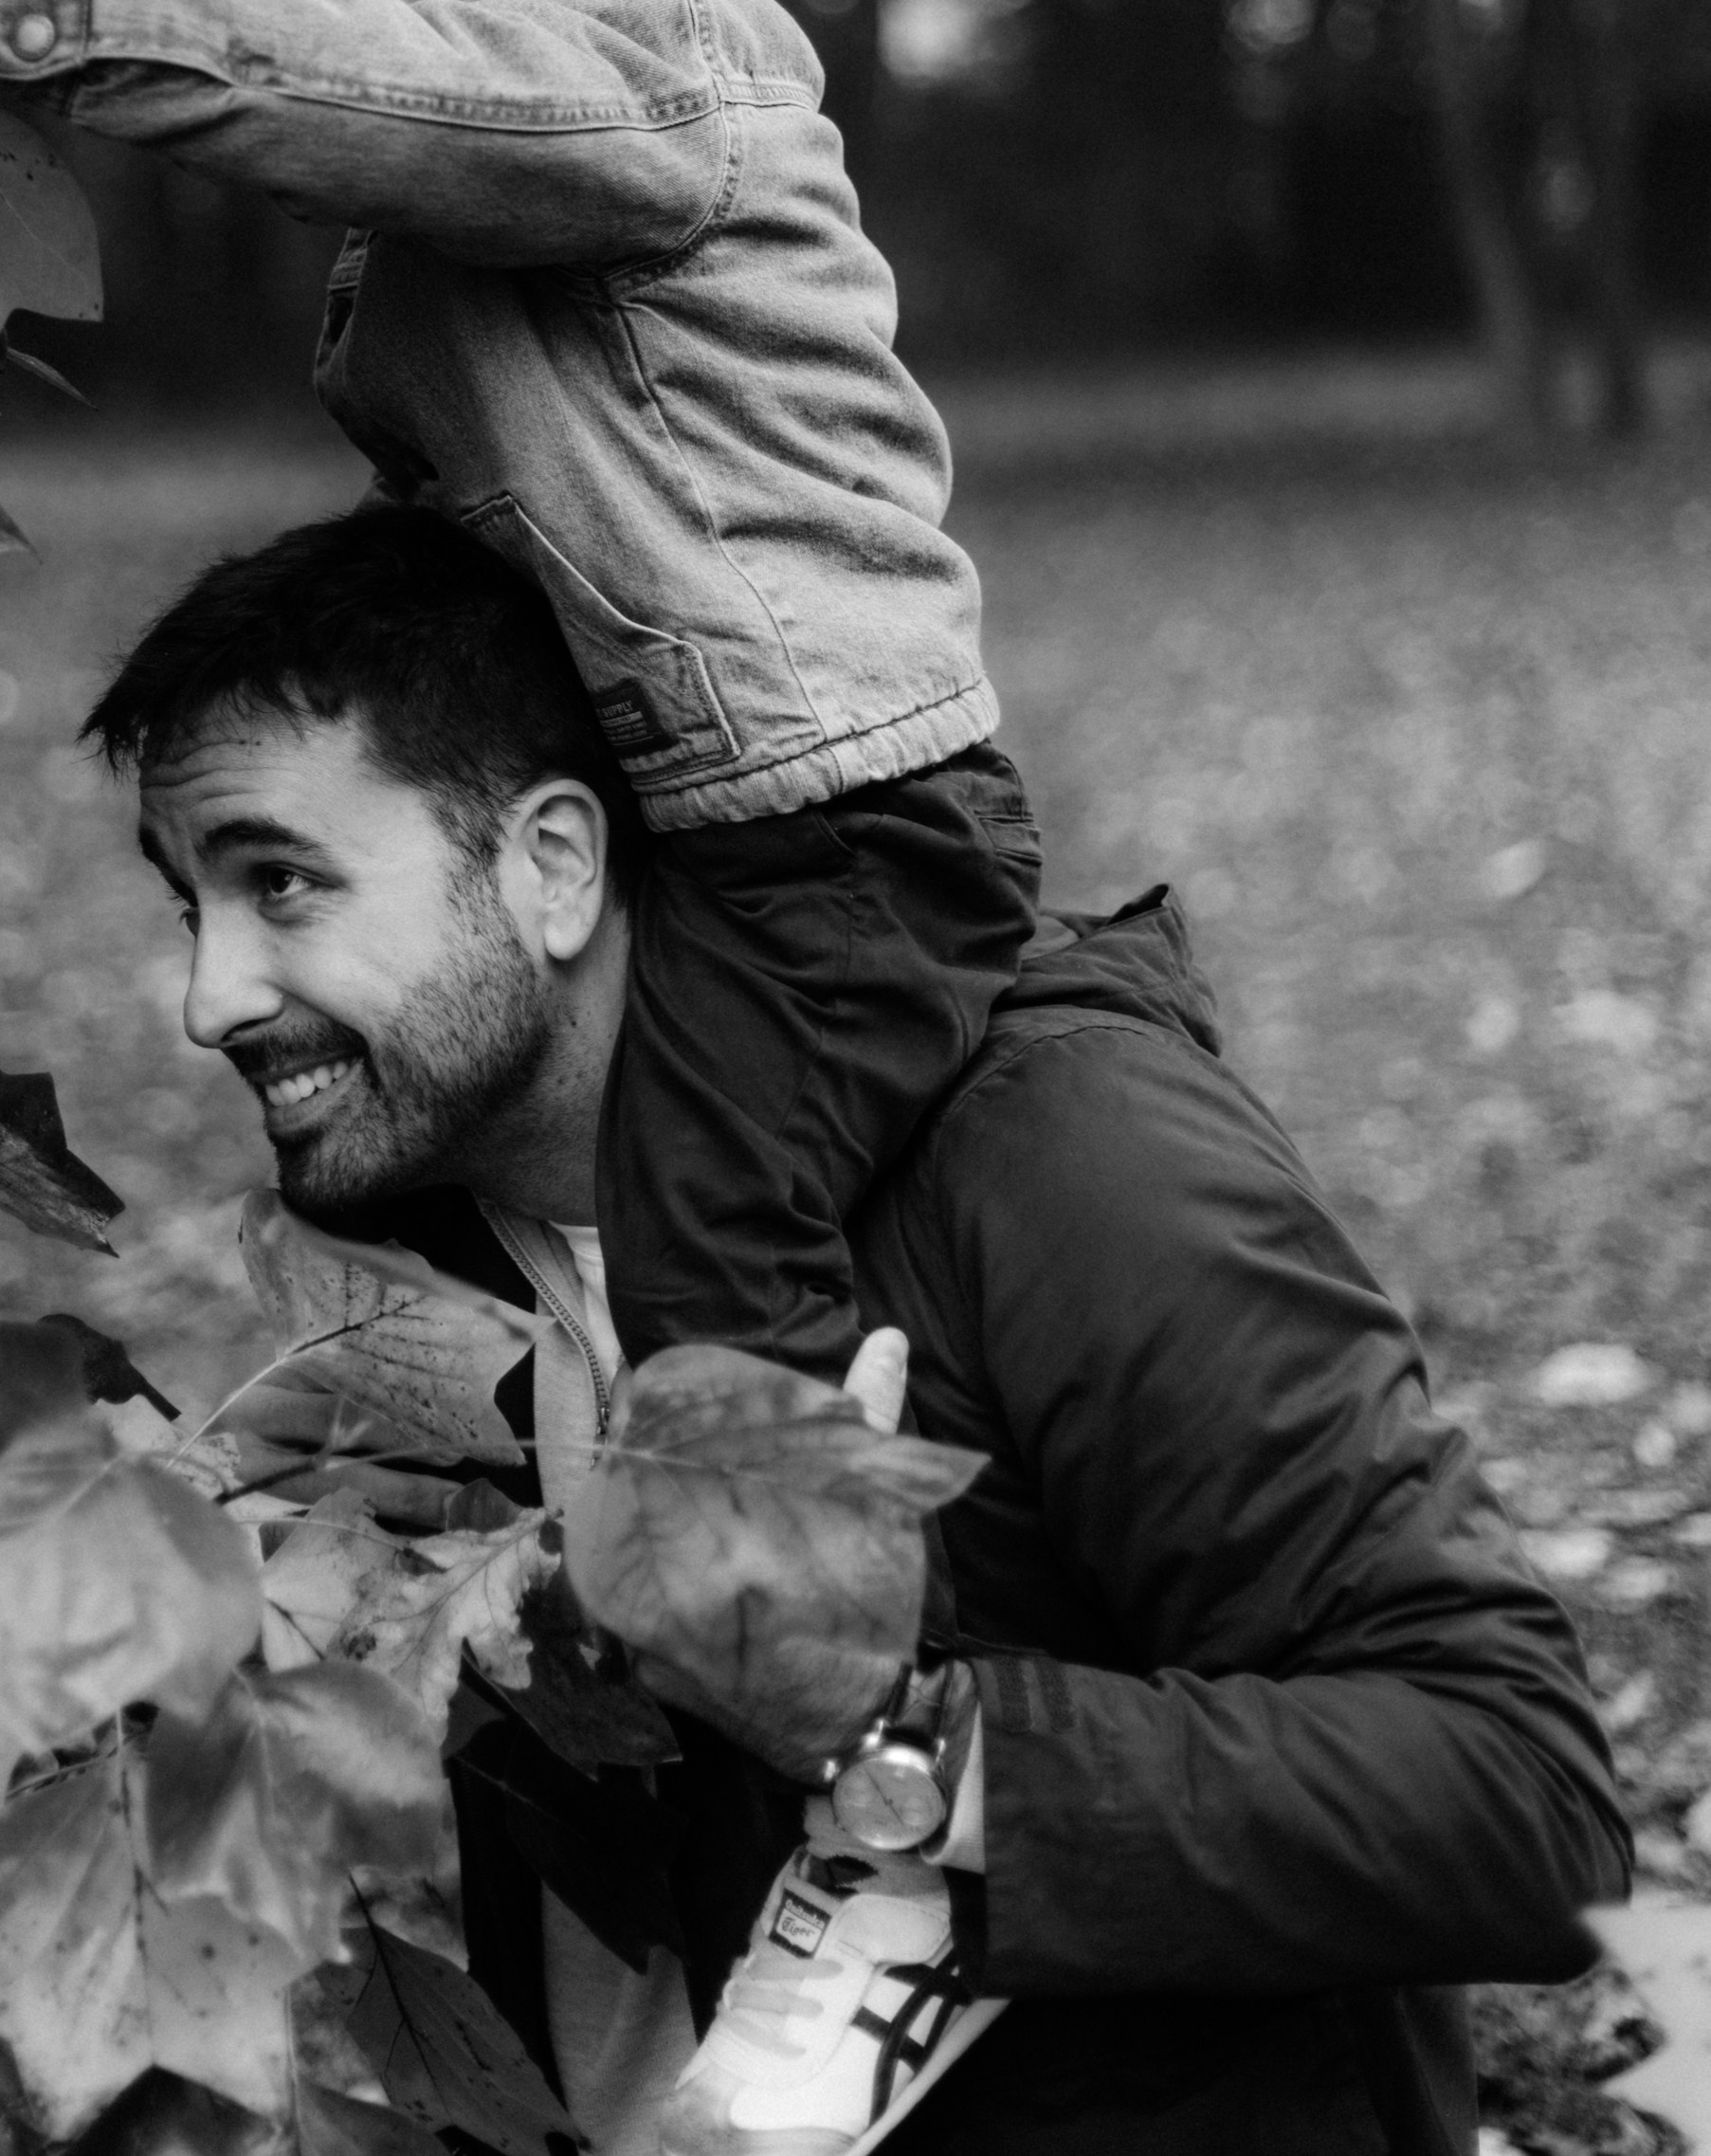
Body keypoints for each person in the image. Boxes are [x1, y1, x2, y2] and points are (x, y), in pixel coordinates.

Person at [0, 0, 1043, 2039]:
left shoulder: (646, 53)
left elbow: (356, 83)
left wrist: (29, 11)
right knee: (526, 1260)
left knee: (712, 1348)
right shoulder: (537, 95)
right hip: (701, 801)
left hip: (825, 819)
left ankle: (875, 1846)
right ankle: (555, 1768)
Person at [80, 507, 1630, 2156]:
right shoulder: (410, 1271)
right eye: (192, 907)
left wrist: (887, 1735)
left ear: (550, 864)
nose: (208, 997)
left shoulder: (1059, 1163)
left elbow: (1518, 1797)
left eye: (282, 883)